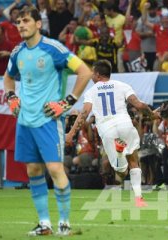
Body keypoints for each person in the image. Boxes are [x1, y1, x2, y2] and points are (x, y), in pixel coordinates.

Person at [3, 6, 92, 236]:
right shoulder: (17, 52)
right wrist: (11, 96)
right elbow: (8, 76)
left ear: (38, 24)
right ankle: (45, 224)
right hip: (25, 120)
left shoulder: (54, 49)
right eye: (18, 22)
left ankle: (64, 223)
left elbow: (85, 72)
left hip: (48, 120)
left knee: (54, 168)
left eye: (25, 21)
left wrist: (66, 103)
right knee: (33, 170)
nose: (21, 25)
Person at [66, 59, 157, 207]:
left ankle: (120, 154)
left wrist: (71, 133)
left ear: (97, 75)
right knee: (134, 161)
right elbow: (140, 104)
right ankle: (139, 198)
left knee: (120, 170)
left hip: (108, 130)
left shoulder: (91, 92)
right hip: (125, 125)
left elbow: (84, 113)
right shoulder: (122, 85)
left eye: (92, 74)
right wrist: (152, 115)